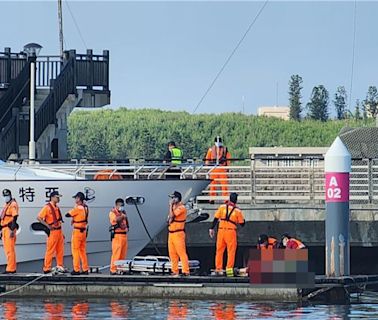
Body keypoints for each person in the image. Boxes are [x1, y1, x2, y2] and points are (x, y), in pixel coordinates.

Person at [209, 192, 245, 276]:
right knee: (231, 251)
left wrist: (211, 228)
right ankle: (229, 270)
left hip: (221, 231)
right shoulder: (237, 211)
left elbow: (215, 219)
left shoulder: (222, 207)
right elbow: (242, 223)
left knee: (219, 251)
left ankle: (218, 269)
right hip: (231, 232)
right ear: (236, 200)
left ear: (229, 198)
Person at [37, 191, 65, 273]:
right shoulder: (47, 207)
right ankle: (47, 268)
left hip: (59, 231)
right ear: (52, 197)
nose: (58, 198)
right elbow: (39, 217)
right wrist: (47, 226)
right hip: (53, 231)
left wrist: (61, 233)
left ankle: (60, 266)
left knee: (60, 250)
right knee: (50, 250)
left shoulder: (56, 207)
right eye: (57, 197)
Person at [65, 192, 89, 275]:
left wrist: (74, 212)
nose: (75, 200)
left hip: (77, 231)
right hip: (84, 232)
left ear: (79, 198)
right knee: (82, 251)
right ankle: (85, 269)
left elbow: (67, 214)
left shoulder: (78, 208)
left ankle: (76, 269)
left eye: (76, 198)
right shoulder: (85, 208)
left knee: (75, 250)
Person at [167, 191, 190, 276]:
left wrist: (170, 207)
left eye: (173, 198)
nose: (172, 200)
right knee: (172, 254)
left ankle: (185, 271)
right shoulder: (174, 207)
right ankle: (174, 270)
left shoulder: (181, 207)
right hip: (171, 233)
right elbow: (169, 219)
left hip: (178, 233)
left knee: (181, 253)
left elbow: (172, 216)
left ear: (177, 198)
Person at [205, 136, 231, 201]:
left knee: (224, 185)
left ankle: (225, 199)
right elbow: (207, 160)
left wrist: (227, 168)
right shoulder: (211, 150)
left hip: (221, 168)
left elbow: (228, 159)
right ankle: (212, 198)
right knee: (212, 185)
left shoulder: (225, 150)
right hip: (214, 168)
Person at [109, 198, 129, 275]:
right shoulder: (112, 213)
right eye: (120, 205)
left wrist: (127, 227)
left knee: (123, 254)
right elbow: (115, 220)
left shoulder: (123, 212)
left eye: (122, 205)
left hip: (124, 235)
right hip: (117, 235)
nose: (122, 207)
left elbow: (126, 222)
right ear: (116, 205)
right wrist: (123, 216)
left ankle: (121, 269)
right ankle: (113, 269)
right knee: (116, 253)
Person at [0, 189, 19, 274]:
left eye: (7, 195)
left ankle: (11, 269)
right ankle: (10, 267)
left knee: (10, 249)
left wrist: (12, 230)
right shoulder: (7, 205)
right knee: (7, 249)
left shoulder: (13, 204)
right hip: (5, 229)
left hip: (9, 228)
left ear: (10, 195)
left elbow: (15, 217)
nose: (6, 197)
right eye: (4, 196)